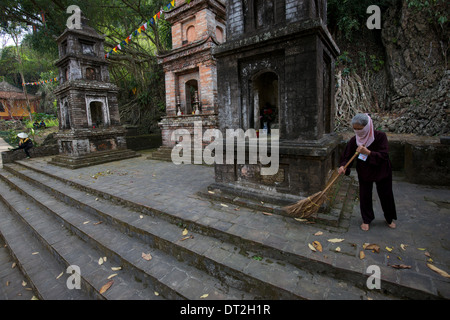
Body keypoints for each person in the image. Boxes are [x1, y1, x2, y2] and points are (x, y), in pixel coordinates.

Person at [338, 113, 397, 231]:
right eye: (355, 129)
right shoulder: (354, 140)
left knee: (386, 195)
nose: (358, 131)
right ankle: (366, 219)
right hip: (365, 171)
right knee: (365, 195)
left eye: (360, 129)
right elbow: (347, 155)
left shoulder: (380, 136)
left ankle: (389, 218)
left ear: (367, 126)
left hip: (382, 171)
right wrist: (343, 166)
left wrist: (368, 152)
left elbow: (384, 155)